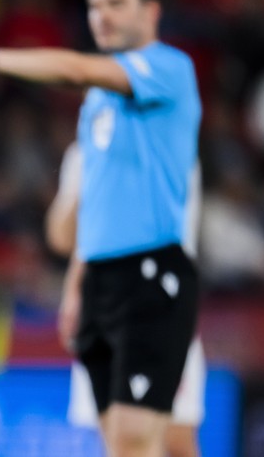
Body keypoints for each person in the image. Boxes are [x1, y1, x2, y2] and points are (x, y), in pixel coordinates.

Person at [0, 0, 201, 457]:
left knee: (159, 440)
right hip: (102, 286)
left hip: (151, 277)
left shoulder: (167, 70)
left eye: (116, 3)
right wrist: (74, 289)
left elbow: (71, 67)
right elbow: (76, 231)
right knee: (122, 443)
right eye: (94, 5)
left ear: (150, 12)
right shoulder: (97, 113)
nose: (102, 17)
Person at [47, 142, 206, 457]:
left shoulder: (170, 143)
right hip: (102, 314)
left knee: (174, 442)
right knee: (118, 444)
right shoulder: (83, 153)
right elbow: (62, 238)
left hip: (159, 310)